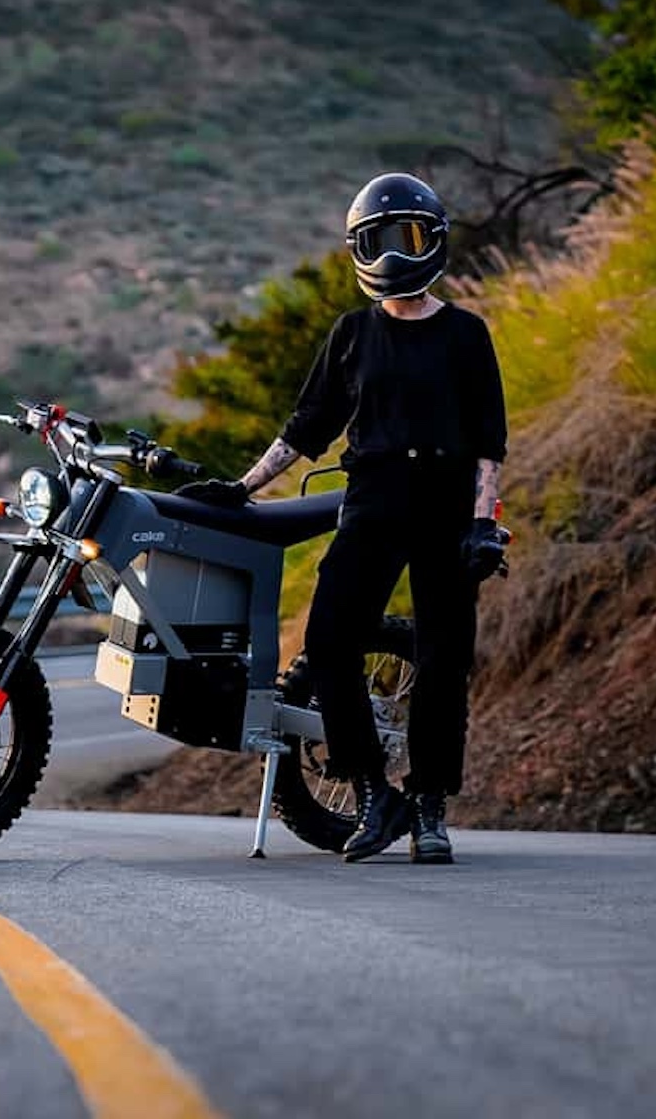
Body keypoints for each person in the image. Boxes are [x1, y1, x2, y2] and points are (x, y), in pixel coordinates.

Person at [180, 172, 509, 864]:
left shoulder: (467, 335)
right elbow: (309, 426)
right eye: (379, 239)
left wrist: (484, 522)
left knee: (443, 659)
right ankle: (371, 791)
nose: (395, 253)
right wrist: (242, 485)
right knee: (330, 640)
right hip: (373, 501)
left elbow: (489, 441)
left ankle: (429, 809)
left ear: (434, 239)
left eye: (408, 236)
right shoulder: (352, 334)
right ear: (359, 249)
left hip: (448, 507)